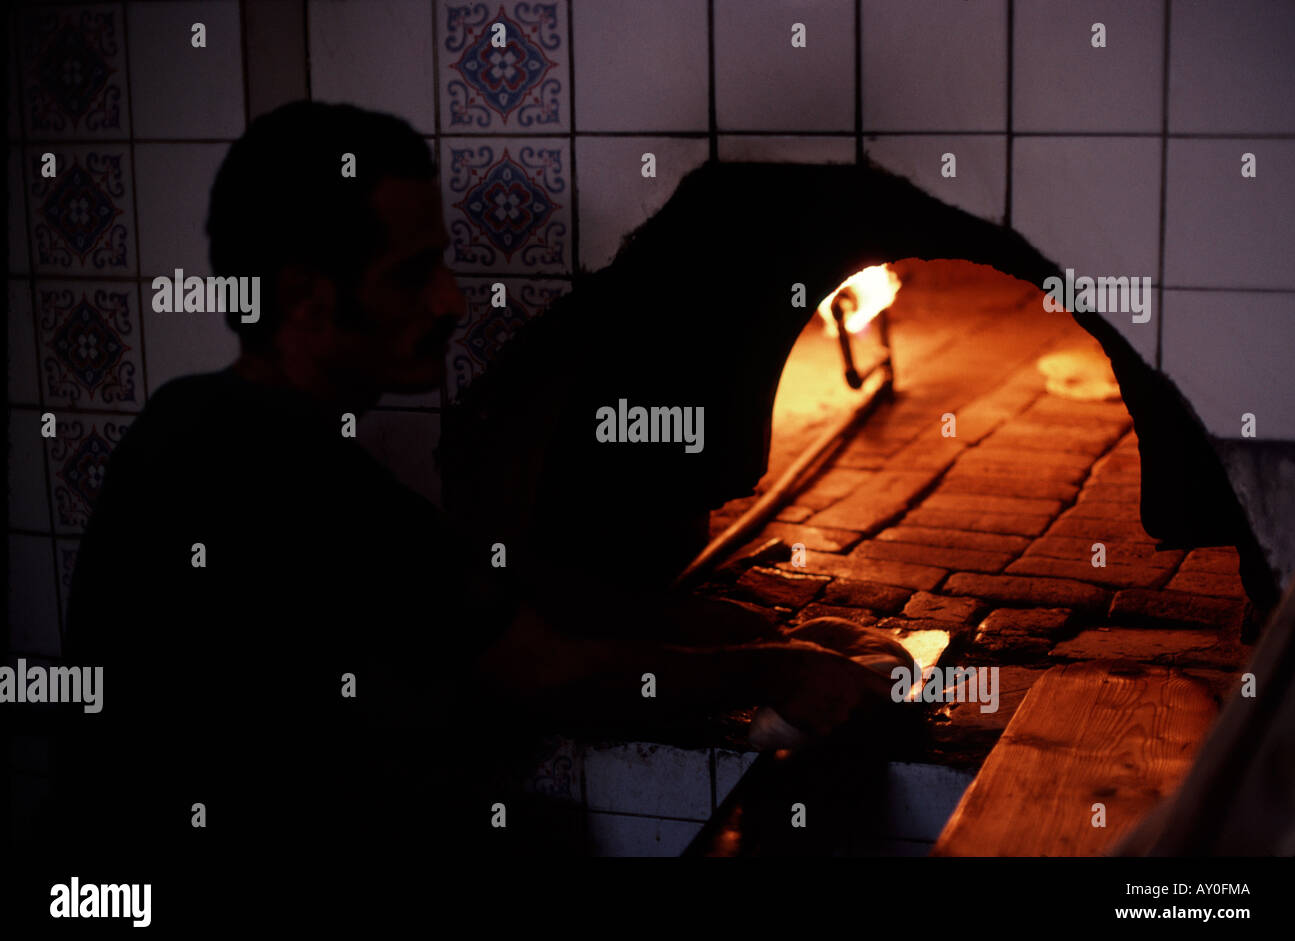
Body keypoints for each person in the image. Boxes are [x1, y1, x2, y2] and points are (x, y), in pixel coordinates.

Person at [53, 101, 907, 865]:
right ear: (306, 300)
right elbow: (547, 670)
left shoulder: (204, 418)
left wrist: (743, 625)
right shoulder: (292, 477)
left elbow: (491, 591)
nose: (453, 301)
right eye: (412, 274)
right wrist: (772, 668)